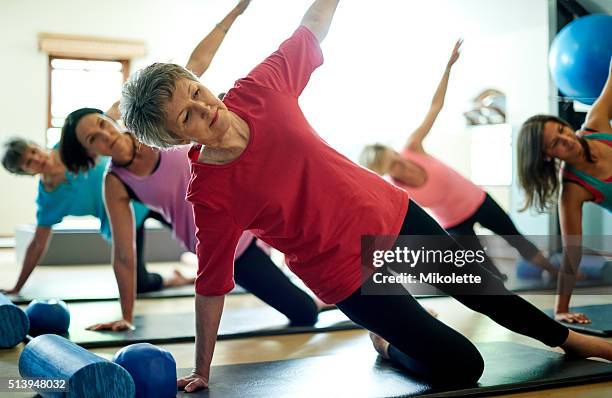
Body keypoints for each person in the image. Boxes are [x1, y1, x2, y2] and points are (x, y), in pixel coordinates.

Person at [120, 0, 612, 391]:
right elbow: (211, 283)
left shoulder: (259, 88)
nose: (205, 107)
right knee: (463, 365)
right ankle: (386, 343)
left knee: (489, 295)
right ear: (176, 138)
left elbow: (310, 25)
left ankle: (579, 343)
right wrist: (203, 366)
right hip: (340, 272)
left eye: (196, 91)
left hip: (391, 217)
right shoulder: (209, 193)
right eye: (185, 116)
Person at [359, 40, 557, 282]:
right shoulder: (396, 188)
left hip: (478, 200)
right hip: (454, 223)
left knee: (517, 239)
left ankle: (558, 273)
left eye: (395, 157)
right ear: (384, 170)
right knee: (485, 273)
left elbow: (435, 107)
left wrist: (448, 69)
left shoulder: (412, 147)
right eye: (392, 166)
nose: (400, 164)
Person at [0, 138, 188, 296]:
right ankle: (176, 279)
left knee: (196, 237)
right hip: (123, 219)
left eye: (33, 151)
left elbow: (101, 131)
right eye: (28, 162)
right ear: (25, 172)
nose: (36, 158)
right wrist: (18, 287)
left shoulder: (69, 146)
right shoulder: (48, 199)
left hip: (143, 190)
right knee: (138, 285)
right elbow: (37, 244)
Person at [517, 59, 612, 325]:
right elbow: (572, 252)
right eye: (556, 144)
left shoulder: (596, 125)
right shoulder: (572, 190)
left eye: (562, 130)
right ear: (547, 156)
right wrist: (561, 308)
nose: (567, 140)